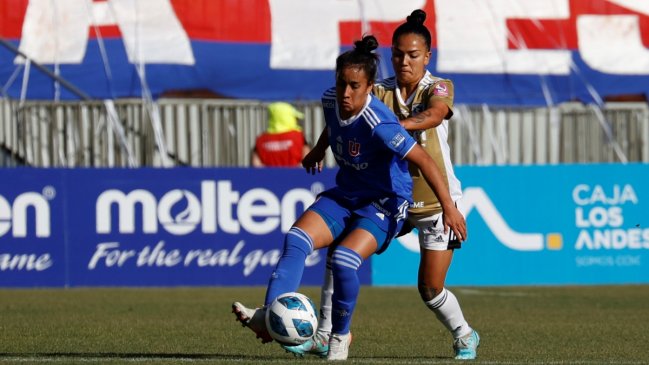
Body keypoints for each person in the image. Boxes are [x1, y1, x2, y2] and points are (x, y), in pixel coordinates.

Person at [232, 34, 467, 361]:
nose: (346, 92)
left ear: (369, 87)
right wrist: (318, 147)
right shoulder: (333, 99)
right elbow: (335, 123)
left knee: (401, 279)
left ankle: (341, 338)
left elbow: (427, 150)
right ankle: (271, 315)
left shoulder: (391, 114)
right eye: (342, 83)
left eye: (354, 86)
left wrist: (450, 208)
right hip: (348, 193)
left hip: (392, 201)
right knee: (298, 239)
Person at [283, 10, 480, 360]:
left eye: (413, 55)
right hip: (392, 199)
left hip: (436, 201)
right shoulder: (379, 92)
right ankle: (328, 335)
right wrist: (320, 146)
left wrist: (389, 129)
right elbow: (345, 118)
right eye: (398, 54)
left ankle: (464, 334)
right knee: (339, 253)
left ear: (427, 57)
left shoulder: (439, 87)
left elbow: (434, 115)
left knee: (431, 289)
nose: (404, 61)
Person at [251, 102, 311, 167]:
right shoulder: (299, 137)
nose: (296, 121)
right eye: (294, 118)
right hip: (295, 176)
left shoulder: (261, 140)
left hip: (268, 177)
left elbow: (256, 165)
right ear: (288, 118)